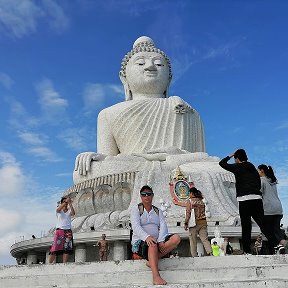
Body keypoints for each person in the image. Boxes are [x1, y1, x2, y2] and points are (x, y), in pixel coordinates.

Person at [74, 36, 205, 178]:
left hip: (180, 168)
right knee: (87, 171)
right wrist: (95, 157)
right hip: (130, 166)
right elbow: (107, 158)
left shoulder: (187, 110)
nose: (150, 67)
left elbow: (200, 158)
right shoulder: (107, 114)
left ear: (169, 78)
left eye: (159, 64)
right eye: (141, 63)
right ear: (124, 78)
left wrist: (175, 156)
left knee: (216, 166)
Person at [219, 149, 279, 255]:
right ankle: (277, 246)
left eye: (235, 158)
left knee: (246, 226)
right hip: (256, 199)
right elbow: (258, 183)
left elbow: (222, 163)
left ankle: (247, 251)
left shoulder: (237, 167)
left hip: (244, 200)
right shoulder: (252, 167)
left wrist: (230, 155)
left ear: (237, 158)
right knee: (263, 225)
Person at [130, 185, 181, 285]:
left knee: (176, 238)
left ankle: (152, 260)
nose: (146, 196)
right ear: (141, 196)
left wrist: (161, 240)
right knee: (152, 243)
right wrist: (147, 237)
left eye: (149, 194)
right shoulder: (136, 209)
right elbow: (135, 226)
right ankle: (156, 277)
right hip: (141, 242)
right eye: (144, 194)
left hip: (157, 241)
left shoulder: (158, 211)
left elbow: (163, 227)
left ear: (152, 196)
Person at [258, 164, 285, 253]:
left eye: (258, 170)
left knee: (266, 229)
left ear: (262, 170)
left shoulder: (262, 180)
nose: (257, 172)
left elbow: (259, 193)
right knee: (276, 230)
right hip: (278, 208)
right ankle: (282, 245)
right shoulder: (273, 180)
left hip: (269, 209)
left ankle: (276, 246)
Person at [184, 187, 212, 257]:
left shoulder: (190, 201)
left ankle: (194, 256)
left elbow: (188, 213)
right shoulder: (201, 201)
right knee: (205, 240)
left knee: (193, 241)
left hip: (194, 224)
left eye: (189, 193)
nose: (189, 194)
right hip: (203, 223)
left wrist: (186, 223)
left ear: (192, 193)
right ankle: (210, 253)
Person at [48, 197, 75, 264]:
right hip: (60, 231)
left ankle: (64, 263)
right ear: (62, 202)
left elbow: (73, 213)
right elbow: (58, 209)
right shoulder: (59, 210)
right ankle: (49, 263)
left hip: (68, 231)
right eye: (64, 202)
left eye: (66, 202)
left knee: (67, 248)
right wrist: (65, 202)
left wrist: (70, 203)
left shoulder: (69, 210)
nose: (66, 203)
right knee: (55, 248)